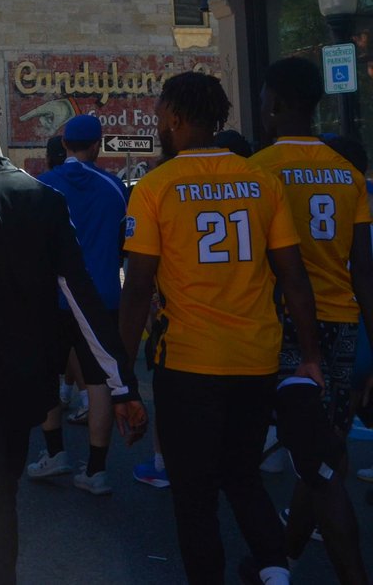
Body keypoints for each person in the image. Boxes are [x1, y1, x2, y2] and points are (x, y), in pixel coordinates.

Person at [0, 76, 145, 584]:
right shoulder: (43, 197)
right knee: (0, 504)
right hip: (26, 384)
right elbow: (83, 298)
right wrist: (122, 385)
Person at [119, 70, 323, 585]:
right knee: (243, 476)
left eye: (161, 114)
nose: (157, 122)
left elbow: (138, 288)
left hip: (188, 362)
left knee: (193, 496)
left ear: (175, 117)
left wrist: (121, 376)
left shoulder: (155, 187)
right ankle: (276, 572)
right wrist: (313, 357)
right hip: (256, 358)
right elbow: (294, 279)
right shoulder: (262, 180)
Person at [249, 57, 372, 582]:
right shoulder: (349, 173)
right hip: (343, 326)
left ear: (274, 102)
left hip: (285, 329)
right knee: (320, 455)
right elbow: (363, 271)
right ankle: (285, 556)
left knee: (321, 470)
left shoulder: (258, 171)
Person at [32, 114, 129, 495]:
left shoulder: (43, 185)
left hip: (54, 298)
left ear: (65, 145)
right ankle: (96, 468)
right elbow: (124, 243)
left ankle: (55, 453)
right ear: (97, 146)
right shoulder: (114, 186)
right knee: (98, 381)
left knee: (49, 376)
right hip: (101, 297)